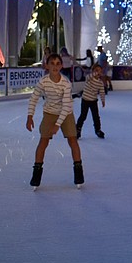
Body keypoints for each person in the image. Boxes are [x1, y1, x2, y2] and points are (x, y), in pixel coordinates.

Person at [26, 53, 84, 188]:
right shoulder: (43, 82)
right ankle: (37, 173)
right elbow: (33, 98)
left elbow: (66, 105)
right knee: (43, 141)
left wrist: (58, 125)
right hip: (49, 112)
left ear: (62, 66)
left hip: (66, 113)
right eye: (52, 63)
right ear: (46, 65)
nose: (55, 66)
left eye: (58, 64)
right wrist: (30, 116)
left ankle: (78, 172)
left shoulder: (65, 83)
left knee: (72, 140)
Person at [76, 64, 107, 139]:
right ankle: (77, 129)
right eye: (96, 71)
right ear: (93, 71)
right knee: (83, 116)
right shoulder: (89, 78)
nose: (98, 73)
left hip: (93, 101)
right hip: (85, 100)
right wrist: (96, 72)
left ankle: (98, 130)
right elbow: (89, 76)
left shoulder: (100, 82)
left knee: (96, 116)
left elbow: (102, 92)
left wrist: (103, 100)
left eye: (100, 71)